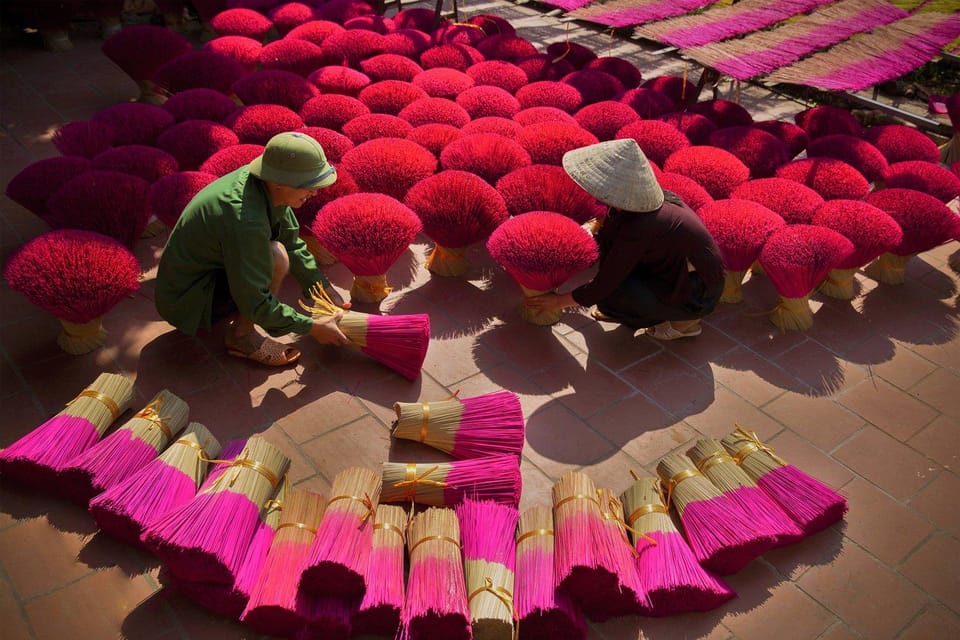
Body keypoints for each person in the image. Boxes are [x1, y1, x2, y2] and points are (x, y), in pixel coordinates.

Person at [156, 131, 351, 366]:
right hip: (188, 302)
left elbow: (291, 241)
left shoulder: (267, 186)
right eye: (308, 185)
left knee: (279, 250)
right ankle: (242, 336)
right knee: (275, 256)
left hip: (215, 273)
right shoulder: (245, 219)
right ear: (279, 182)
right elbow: (255, 300)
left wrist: (321, 288)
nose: (315, 192)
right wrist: (311, 327)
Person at [526, 138, 724, 340]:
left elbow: (605, 282)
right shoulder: (639, 206)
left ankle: (685, 323)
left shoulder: (642, 226)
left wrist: (558, 302)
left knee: (616, 294)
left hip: (697, 293)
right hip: (671, 271)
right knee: (609, 252)